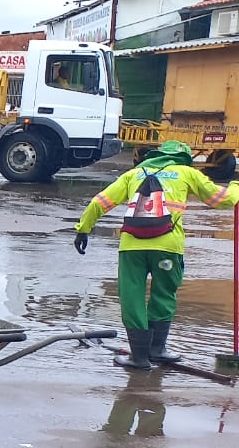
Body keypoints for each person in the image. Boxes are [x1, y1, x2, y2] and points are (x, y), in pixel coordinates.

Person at [74, 140, 239, 368]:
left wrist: (83, 229)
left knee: (132, 297)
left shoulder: (134, 174)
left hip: (133, 248)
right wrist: (236, 187)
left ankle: (139, 357)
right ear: (183, 158)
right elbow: (222, 200)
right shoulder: (186, 173)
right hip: (168, 247)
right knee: (164, 293)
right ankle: (157, 349)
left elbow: (99, 202)